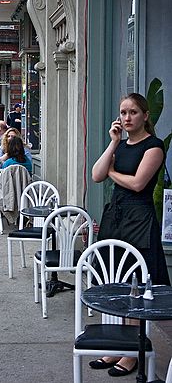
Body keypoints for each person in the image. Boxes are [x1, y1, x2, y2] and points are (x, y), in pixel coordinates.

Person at [90, 93, 170, 377]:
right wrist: (112, 143)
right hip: (117, 218)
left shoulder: (154, 146)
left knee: (137, 285)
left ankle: (132, 354)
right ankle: (118, 348)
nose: (126, 118)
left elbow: (137, 184)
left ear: (145, 116)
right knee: (118, 283)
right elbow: (96, 174)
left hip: (139, 218)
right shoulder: (120, 145)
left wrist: (112, 172)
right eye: (123, 112)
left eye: (133, 112)